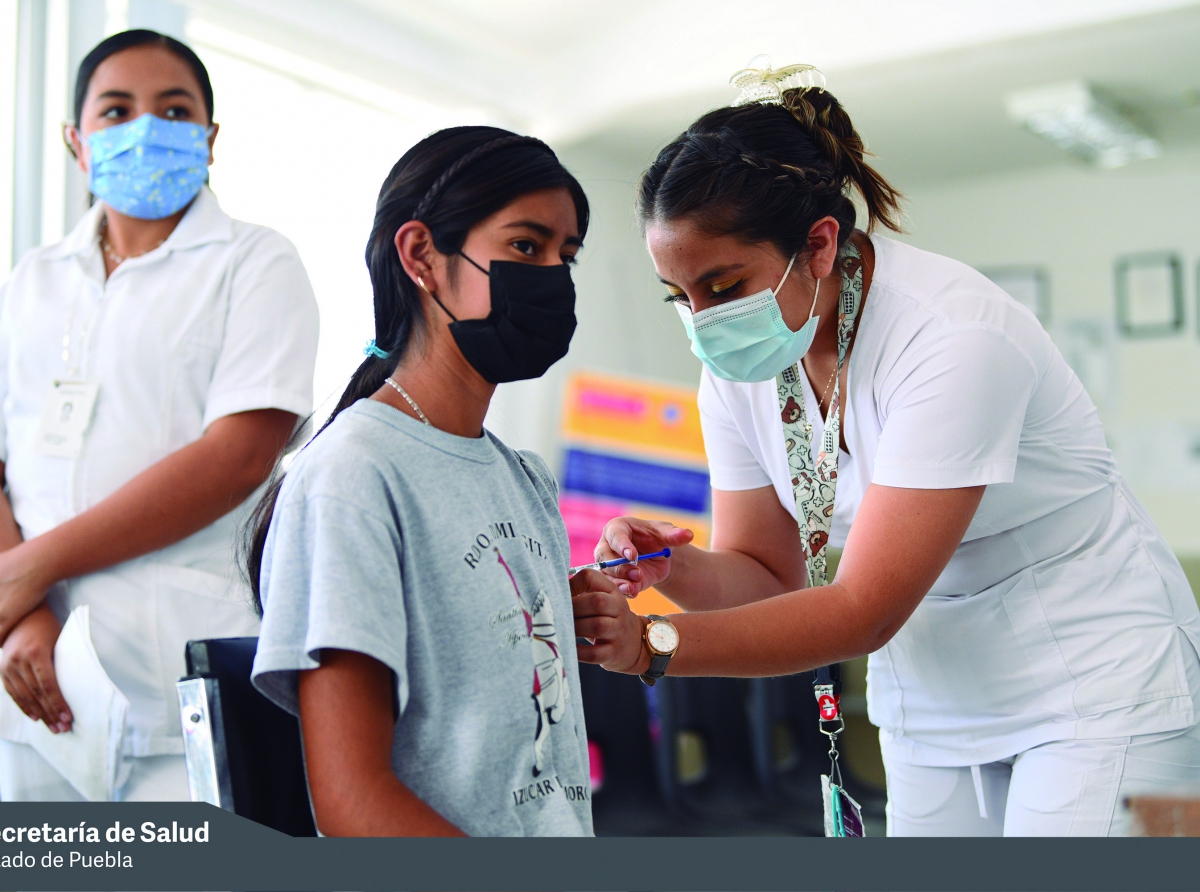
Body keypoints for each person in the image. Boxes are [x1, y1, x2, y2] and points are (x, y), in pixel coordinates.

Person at [572, 61, 1200, 836]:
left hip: (1100, 688)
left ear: (821, 244)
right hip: (936, 700)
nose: (703, 321)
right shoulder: (739, 371)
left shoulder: (951, 335)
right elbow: (769, 577)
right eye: (681, 296)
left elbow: (862, 611)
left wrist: (653, 646)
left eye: (725, 285)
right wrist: (671, 571)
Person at [249, 126, 613, 837]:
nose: (552, 278)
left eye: (565, 256)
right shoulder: (352, 477)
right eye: (525, 247)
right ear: (421, 256)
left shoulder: (523, 477)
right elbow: (353, 807)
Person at [0, 29, 318, 801]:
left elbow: (238, 455)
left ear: (210, 140)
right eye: (115, 110)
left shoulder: (256, 261)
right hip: (28, 679)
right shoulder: (29, 279)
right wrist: (24, 612)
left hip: (173, 687)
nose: (145, 127)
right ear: (77, 144)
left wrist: (31, 568)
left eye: (174, 110)